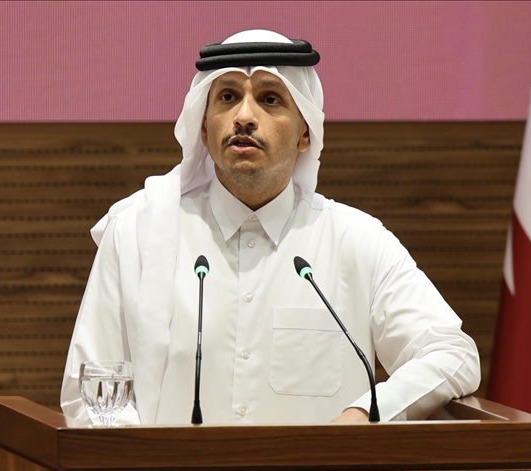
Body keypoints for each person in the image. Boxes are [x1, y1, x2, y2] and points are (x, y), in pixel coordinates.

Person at [60, 29, 480, 425]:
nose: (244, 116)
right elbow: (89, 393)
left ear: (304, 133)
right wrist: (149, 463)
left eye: (270, 99)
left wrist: (368, 411)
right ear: (203, 128)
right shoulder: (137, 234)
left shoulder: (357, 241)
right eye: (227, 97)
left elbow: (452, 353)